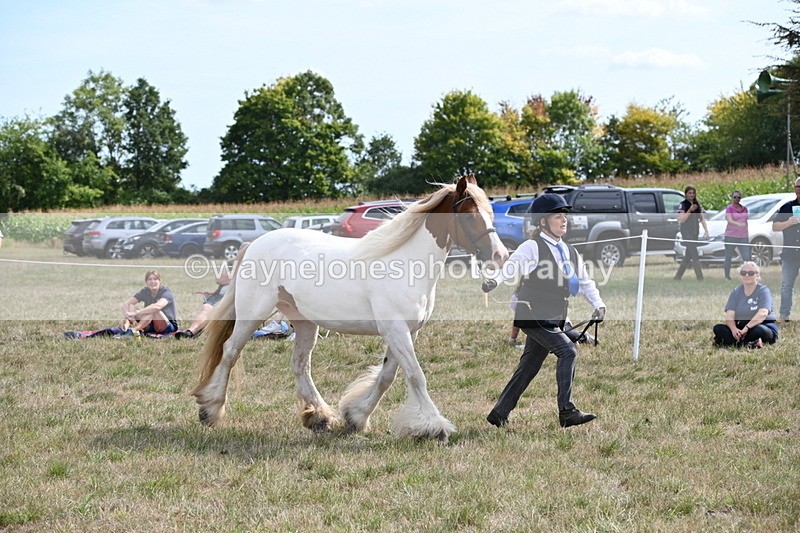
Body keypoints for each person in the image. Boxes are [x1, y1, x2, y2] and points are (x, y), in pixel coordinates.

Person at [482, 193, 606, 429]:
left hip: (555, 316)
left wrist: (598, 304)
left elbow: (585, 281)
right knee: (568, 351)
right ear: (542, 221)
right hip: (533, 313)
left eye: (564, 216)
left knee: (529, 366)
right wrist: (493, 281)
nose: (564, 220)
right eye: (557, 216)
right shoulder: (532, 246)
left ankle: (499, 413)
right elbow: (510, 268)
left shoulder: (569, 250)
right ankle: (567, 412)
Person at [712, 262, 779, 348]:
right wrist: (734, 330)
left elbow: (763, 313)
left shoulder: (763, 291)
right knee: (718, 328)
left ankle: (730, 342)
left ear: (757, 276)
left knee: (760, 330)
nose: (747, 275)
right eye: (743, 273)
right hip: (741, 328)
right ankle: (749, 343)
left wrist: (746, 328)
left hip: (761, 326)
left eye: (751, 273)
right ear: (740, 276)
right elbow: (729, 315)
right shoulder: (736, 292)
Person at [174, 264, 232, 339]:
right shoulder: (230, 263)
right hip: (218, 296)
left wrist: (230, 277)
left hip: (235, 298)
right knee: (205, 308)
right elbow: (219, 279)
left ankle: (205, 330)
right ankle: (190, 332)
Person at [771, 176, 800, 322]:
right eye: (798, 187)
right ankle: (784, 315)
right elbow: (774, 226)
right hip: (790, 254)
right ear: (795, 189)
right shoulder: (787, 207)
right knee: (787, 285)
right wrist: (788, 223)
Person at [122, 270, 179, 335]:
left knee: (153, 310)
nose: (152, 282)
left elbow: (157, 307)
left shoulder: (166, 293)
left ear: (160, 281)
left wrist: (137, 312)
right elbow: (127, 303)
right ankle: (126, 328)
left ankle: (134, 330)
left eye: (155, 279)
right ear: (146, 282)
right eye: (150, 279)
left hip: (167, 326)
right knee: (131, 306)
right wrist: (127, 317)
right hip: (150, 322)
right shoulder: (145, 291)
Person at [674, 185, 709, 281]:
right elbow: (682, 219)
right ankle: (700, 278)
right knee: (694, 254)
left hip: (695, 232)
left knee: (688, 256)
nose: (692, 195)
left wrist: (706, 230)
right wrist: (689, 210)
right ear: (685, 194)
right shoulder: (683, 204)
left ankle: (677, 277)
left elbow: (701, 218)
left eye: (693, 193)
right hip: (686, 232)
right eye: (689, 193)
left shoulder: (696, 204)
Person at [722, 190, 750, 280]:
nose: (737, 199)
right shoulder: (729, 208)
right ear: (732, 198)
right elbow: (729, 220)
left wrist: (746, 231)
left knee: (746, 257)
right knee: (728, 256)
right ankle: (727, 276)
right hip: (731, 235)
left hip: (743, 236)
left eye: (738, 197)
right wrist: (738, 224)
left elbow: (746, 221)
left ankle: (748, 274)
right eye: (735, 197)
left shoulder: (744, 208)